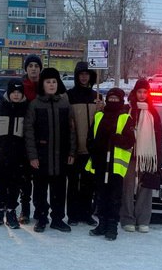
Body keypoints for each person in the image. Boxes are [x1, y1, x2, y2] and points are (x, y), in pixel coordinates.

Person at [24, 67, 76, 233]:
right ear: (43, 84)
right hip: (41, 156)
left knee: (59, 190)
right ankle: (41, 218)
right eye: (48, 82)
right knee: (39, 191)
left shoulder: (65, 103)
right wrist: (32, 156)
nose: (51, 85)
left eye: (54, 81)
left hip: (61, 156)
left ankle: (58, 219)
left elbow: (72, 129)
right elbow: (29, 131)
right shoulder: (35, 104)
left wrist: (71, 152)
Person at [88, 88, 136, 240]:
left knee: (114, 197)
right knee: (101, 195)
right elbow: (91, 137)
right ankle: (101, 223)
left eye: (116, 99)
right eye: (111, 98)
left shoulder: (124, 118)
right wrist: (94, 149)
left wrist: (117, 139)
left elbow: (130, 141)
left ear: (121, 101)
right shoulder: (99, 116)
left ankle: (112, 226)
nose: (113, 101)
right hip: (101, 162)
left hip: (115, 165)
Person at [0, 79, 29, 229]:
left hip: (19, 158)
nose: (16, 95)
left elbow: (31, 134)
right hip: (0, 157)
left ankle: (11, 212)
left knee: (15, 186)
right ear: (8, 93)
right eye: (13, 92)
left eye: (19, 92)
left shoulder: (27, 111)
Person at [120, 79, 162, 233]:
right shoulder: (128, 110)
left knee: (146, 188)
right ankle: (127, 219)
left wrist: (159, 161)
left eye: (145, 92)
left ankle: (143, 220)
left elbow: (158, 138)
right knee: (128, 189)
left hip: (148, 157)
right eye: (139, 92)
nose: (142, 95)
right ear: (134, 92)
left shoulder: (153, 113)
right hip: (129, 156)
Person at [66, 61, 102, 226]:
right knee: (73, 183)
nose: (84, 77)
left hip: (92, 149)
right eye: (81, 74)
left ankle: (86, 213)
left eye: (87, 74)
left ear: (91, 76)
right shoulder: (70, 96)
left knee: (89, 184)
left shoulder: (97, 97)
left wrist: (102, 108)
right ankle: (73, 214)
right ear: (76, 76)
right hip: (75, 148)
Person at [18, 53, 43, 223]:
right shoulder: (20, 86)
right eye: (30, 66)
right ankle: (25, 211)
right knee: (25, 179)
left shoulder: (46, 86)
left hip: (42, 139)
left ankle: (40, 210)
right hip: (23, 139)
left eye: (36, 66)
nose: (33, 69)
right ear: (26, 69)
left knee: (41, 180)